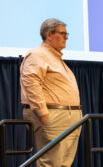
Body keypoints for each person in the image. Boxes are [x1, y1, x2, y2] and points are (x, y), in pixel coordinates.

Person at [20, 18, 82, 167]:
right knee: (51, 162)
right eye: (62, 33)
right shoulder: (37, 54)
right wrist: (42, 112)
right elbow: (31, 81)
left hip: (67, 116)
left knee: (63, 163)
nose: (66, 37)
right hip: (53, 115)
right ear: (49, 35)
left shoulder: (55, 57)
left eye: (67, 34)